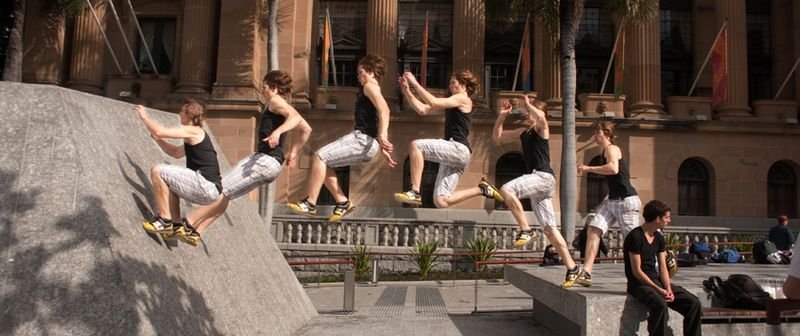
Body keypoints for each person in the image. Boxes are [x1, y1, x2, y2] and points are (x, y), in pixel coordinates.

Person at [174, 70, 312, 246]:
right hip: (272, 166)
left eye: (264, 88)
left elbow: (295, 118)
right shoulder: (282, 104)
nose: (263, 92)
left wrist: (278, 132)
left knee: (221, 189)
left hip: (263, 161)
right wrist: (293, 152)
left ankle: (188, 223)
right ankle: (196, 232)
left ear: (274, 88)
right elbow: (306, 129)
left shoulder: (275, 101)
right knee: (227, 195)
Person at [288, 55, 396, 222]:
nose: (358, 76)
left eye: (361, 72)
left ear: (372, 72)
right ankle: (342, 201)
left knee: (319, 156)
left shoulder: (370, 86)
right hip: (367, 142)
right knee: (323, 161)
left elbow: (385, 110)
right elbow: (377, 117)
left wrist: (383, 136)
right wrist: (381, 145)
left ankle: (310, 203)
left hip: (362, 140)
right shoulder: (372, 88)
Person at [492, 95, 583, 287]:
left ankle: (525, 229)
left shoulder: (542, 129)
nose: (526, 114)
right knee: (550, 230)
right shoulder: (523, 131)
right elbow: (497, 137)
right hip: (538, 187)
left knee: (506, 189)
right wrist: (501, 117)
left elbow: (541, 117)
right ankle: (573, 268)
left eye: (528, 112)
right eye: (526, 112)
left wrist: (528, 104)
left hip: (543, 177)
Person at [394, 70, 503, 208]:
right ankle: (482, 189)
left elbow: (433, 102)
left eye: (453, 83)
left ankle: (415, 191)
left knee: (416, 146)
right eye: (449, 83)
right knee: (441, 201)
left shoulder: (463, 98)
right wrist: (407, 91)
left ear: (463, 85)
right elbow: (422, 109)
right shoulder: (453, 102)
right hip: (457, 155)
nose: (450, 86)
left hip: (458, 148)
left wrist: (415, 83)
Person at [138, 99, 222, 236]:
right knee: (169, 182)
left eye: (182, 111)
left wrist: (145, 117)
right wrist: (158, 140)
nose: (179, 114)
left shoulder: (193, 130)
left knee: (157, 170)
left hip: (205, 184)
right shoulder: (196, 135)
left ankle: (164, 220)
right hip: (211, 190)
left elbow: (159, 131)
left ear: (190, 114)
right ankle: (176, 226)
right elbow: (176, 153)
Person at [575, 121, 641, 287]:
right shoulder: (606, 151)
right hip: (613, 200)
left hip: (626, 201)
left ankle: (654, 265)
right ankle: (586, 272)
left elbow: (613, 169)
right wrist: (604, 201)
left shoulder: (612, 149)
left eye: (597, 132)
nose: (595, 136)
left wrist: (587, 168)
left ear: (605, 133)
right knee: (593, 229)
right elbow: (615, 181)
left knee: (634, 241)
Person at [624, 200, 701, 336]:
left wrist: (668, 289)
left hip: (656, 281)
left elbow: (663, 268)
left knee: (693, 303)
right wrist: (659, 290)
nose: (669, 220)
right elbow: (637, 272)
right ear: (658, 219)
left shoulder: (659, 237)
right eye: (667, 217)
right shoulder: (635, 237)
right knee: (660, 304)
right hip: (639, 284)